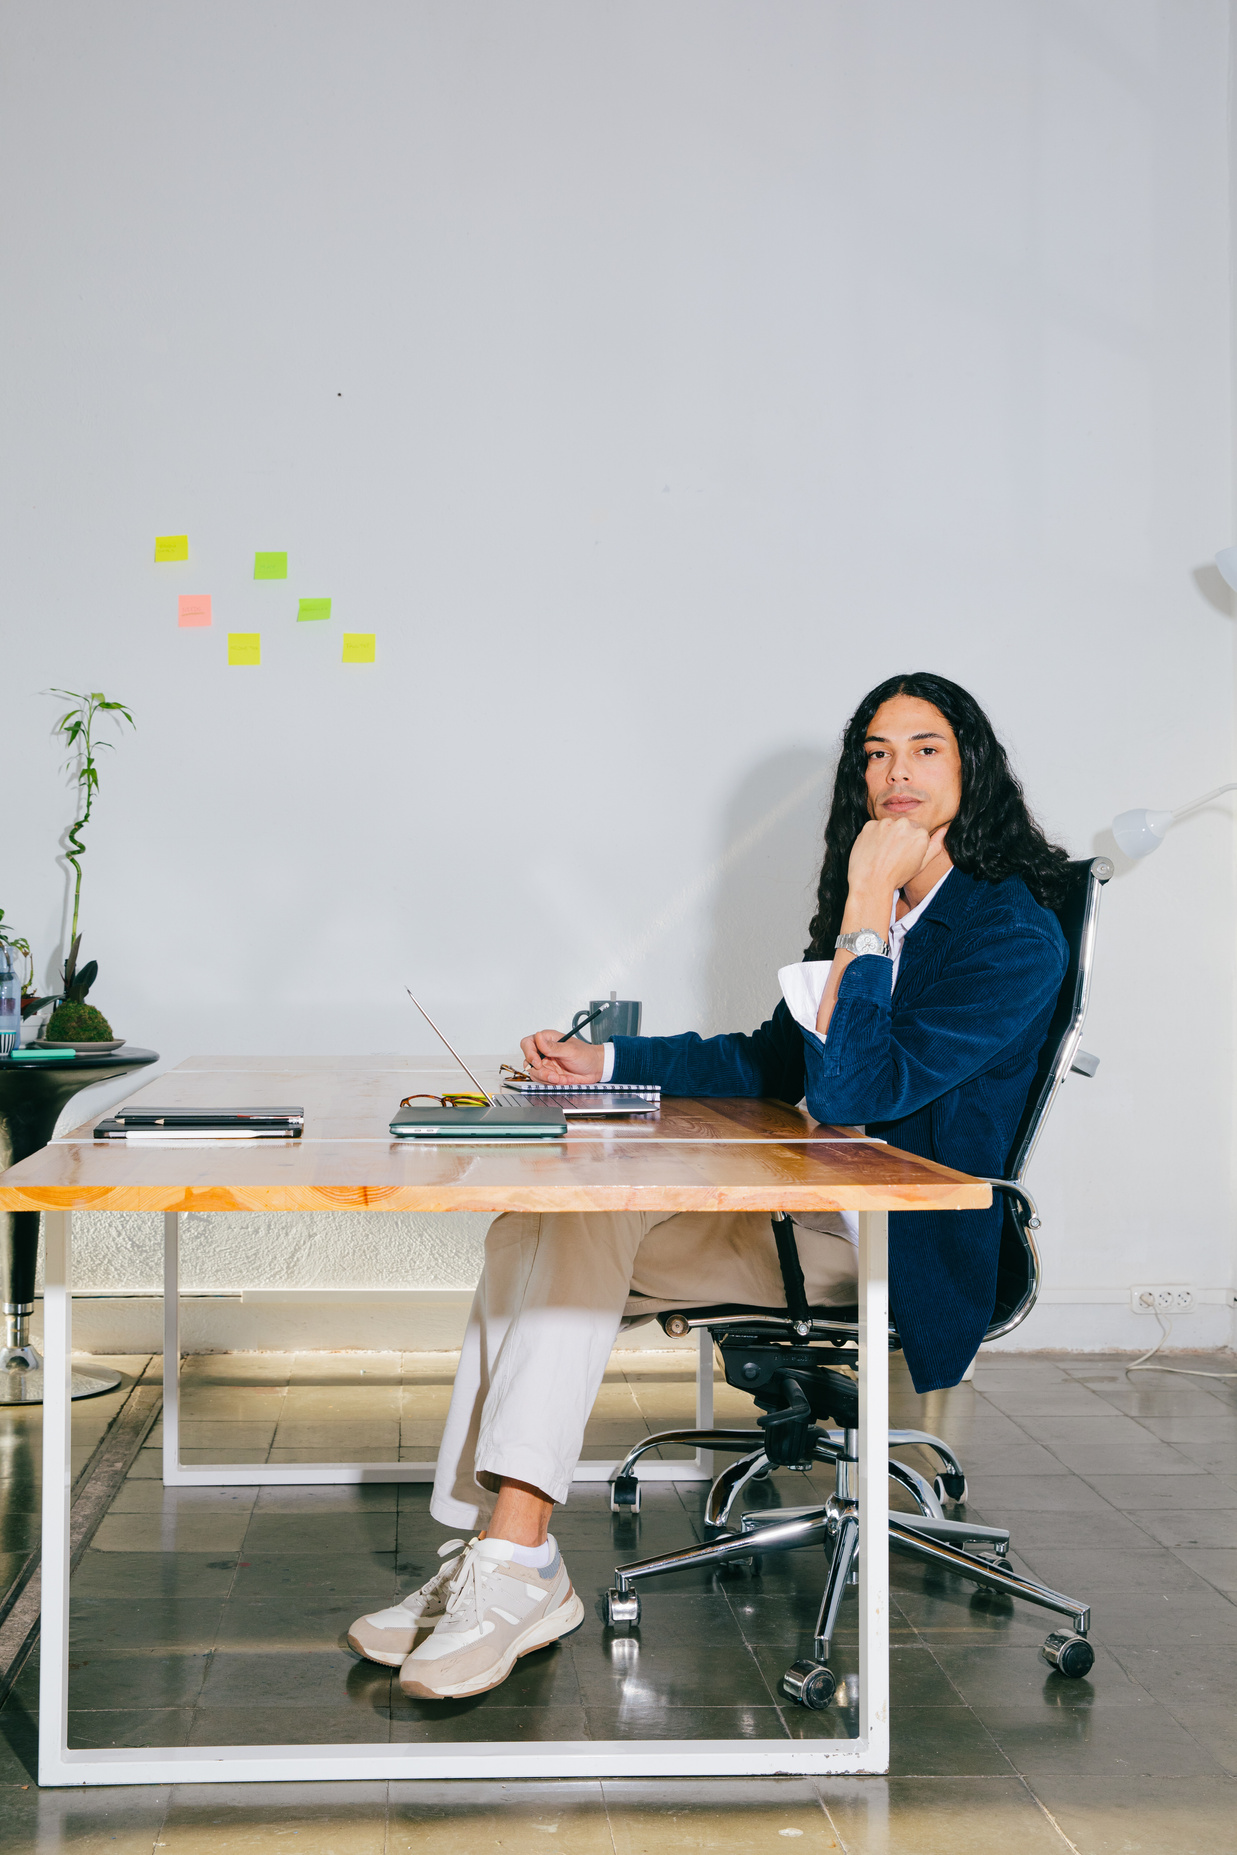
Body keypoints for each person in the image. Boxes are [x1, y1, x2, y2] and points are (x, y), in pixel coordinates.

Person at [348, 671, 1070, 1700]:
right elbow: (769, 1062)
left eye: (923, 748)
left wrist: (865, 907)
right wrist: (605, 1066)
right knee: (533, 1226)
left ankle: (516, 1562)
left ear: (971, 770)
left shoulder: (1007, 934)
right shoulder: (890, 925)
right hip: (809, 1210)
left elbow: (860, 1085)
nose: (894, 771)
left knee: (589, 1219)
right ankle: (500, 1552)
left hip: (898, 1235)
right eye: (874, 751)